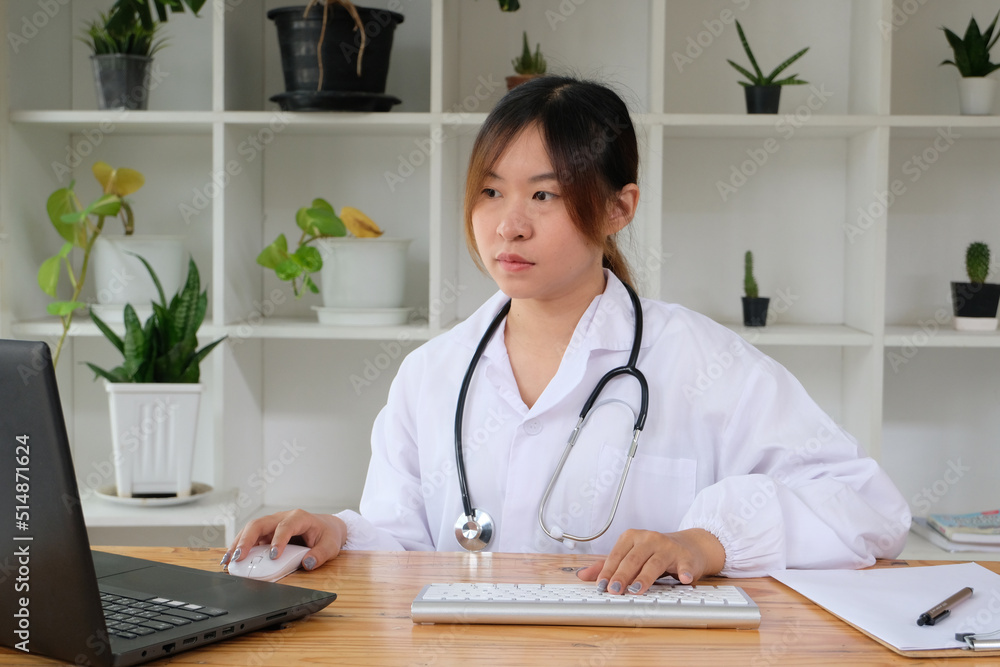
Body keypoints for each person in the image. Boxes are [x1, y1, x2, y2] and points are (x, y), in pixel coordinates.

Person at [224, 76, 910, 596]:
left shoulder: (699, 360)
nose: (507, 225)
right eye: (491, 192)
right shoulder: (433, 373)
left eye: (543, 195)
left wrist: (707, 542)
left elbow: (870, 508)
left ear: (618, 207)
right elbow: (405, 545)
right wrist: (338, 532)